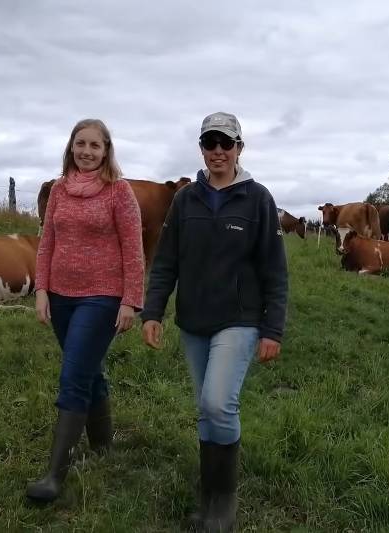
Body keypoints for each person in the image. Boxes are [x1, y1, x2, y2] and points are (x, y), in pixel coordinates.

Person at [141, 112, 288, 531]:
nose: (218, 151)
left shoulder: (257, 198)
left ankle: (224, 504)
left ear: (240, 148)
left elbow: (275, 271)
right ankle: (209, 498)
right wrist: (154, 311)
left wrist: (272, 328)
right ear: (201, 149)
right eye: (210, 143)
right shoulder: (186, 200)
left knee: (218, 403)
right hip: (193, 319)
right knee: (206, 410)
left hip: (239, 319)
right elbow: (166, 260)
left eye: (226, 143)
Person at [26, 119, 144, 502]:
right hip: (60, 296)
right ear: (71, 147)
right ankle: (104, 447)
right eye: (81, 144)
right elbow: (47, 243)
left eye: (95, 145)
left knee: (73, 375)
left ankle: (54, 476)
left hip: (102, 297)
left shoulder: (119, 192)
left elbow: (133, 249)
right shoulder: (59, 189)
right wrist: (41, 290)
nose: (87, 151)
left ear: (107, 150)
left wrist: (130, 300)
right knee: (87, 370)